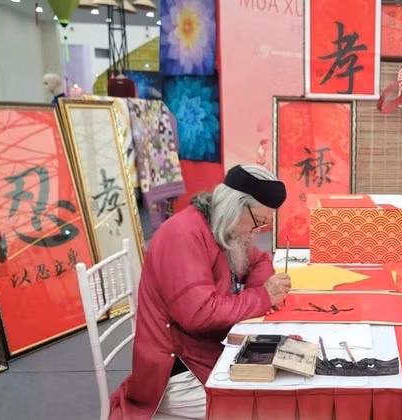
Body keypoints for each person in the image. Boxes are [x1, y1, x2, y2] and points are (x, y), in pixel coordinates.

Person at [109, 164, 292, 420]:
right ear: (236, 206)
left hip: (209, 348)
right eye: (258, 222)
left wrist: (260, 291)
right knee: (275, 402)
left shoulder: (223, 227)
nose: (258, 231)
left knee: (284, 378)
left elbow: (259, 261)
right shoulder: (183, 236)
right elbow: (199, 313)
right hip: (178, 370)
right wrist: (262, 297)